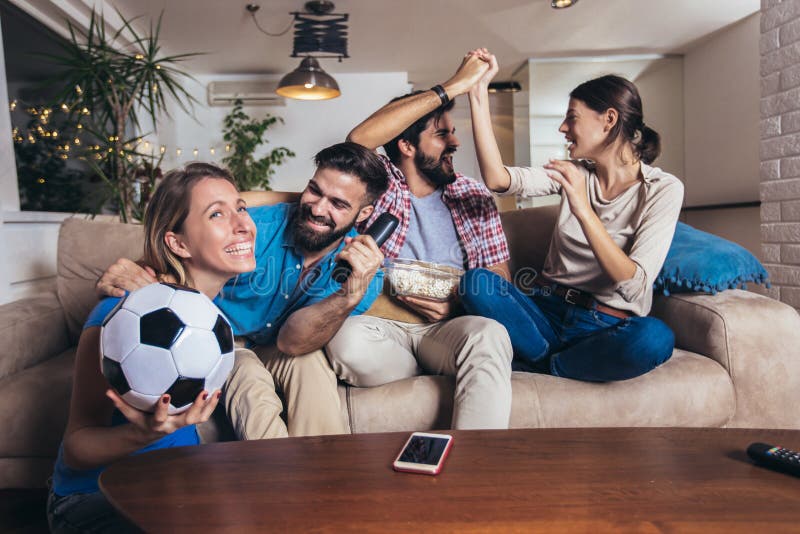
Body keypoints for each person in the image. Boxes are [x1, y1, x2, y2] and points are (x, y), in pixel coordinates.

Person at [95, 142, 388, 440]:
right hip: (219, 338)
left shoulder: (364, 271)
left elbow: (292, 343)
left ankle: (327, 477)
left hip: (282, 345)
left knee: (310, 365)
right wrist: (136, 270)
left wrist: (347, 297)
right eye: (314, 190)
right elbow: (179, 246)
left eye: (338, 204)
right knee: (247, 373)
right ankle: (281, 481)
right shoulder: (253, 226)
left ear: (363, 214)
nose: (317, 208)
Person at [48, 162, 253, 532]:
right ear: (177, 242)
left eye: (241, 207)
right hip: (95, 499)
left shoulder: (207, 317)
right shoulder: (119, 313)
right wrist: (144, 433)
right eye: (217, 214)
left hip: (176, 486)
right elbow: (77, 448)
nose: (243, 224)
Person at [461, 49, 683, 382]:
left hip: (604, 325)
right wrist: (477, 94)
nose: (564, 128)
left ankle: (545, 365)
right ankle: (555, 360)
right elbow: (498, 180)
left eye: (572, 117)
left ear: (608, 119)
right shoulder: (571, 172)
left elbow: (633, 285)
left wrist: (582, 208)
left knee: (655, 339)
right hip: (544, 311)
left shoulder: (662, 189)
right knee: (475, 284)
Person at [323, 54, 513, 430]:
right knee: (342, 340)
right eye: (442, 134)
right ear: (407, 146)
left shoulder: (474, 195)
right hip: (383, 325)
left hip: (447, 326)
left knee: (490, 334)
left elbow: (501, 283)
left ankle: (476, 464)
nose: (456, 142)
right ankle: (419, 368)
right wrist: (453, 87)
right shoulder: (382, 187)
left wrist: (457, 303)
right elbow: (359, 140)